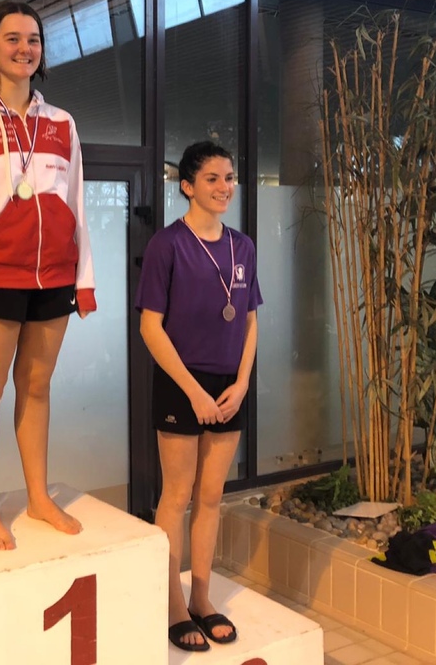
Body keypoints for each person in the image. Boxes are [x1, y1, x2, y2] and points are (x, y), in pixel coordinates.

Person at [0, 0, 96, 551]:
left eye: (33, 39)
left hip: (53, 276)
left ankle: (37, 496)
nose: (24, 48)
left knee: (36, 386)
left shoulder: (62, 123)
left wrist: (83, 279)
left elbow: (76, 203)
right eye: (12, 38)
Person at [136, 141, 262, 652]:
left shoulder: (242, 246)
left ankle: (202, 599)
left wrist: (242, 383)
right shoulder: (167, 245)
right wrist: (193, 392)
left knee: (211, 498)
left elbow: (250, 320)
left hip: (228, 386)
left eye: (229, 177)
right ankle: (172, 605)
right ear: (187, 186)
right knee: (177, 496)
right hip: (179, 383)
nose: (224, 187)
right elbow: (150, 327)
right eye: (212, 178)